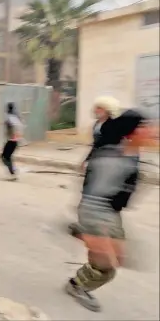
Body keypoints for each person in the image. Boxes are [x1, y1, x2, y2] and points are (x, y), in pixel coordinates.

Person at [64, 109, 148, 312]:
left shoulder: (132, 153)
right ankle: (77, 286)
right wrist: (92, 227)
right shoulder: (113, 156)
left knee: (119, 260)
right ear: (132, 132)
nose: (152, 132)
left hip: (111, 213)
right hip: (97, 212)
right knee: (107, 267)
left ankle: (82, 237)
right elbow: (93, 193)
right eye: (145, 128)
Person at [70, 96, 121, 236]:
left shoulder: (113, 125)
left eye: (99, 108)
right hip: (95, 163)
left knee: (103, 196)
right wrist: (86, 160)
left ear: (107, 110)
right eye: (96, 107)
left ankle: (108, 229)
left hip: (108, 164)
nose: (96, 110)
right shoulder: (97, 124)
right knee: (87, 192)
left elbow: (114, 146)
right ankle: (84, 224)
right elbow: (96, 145)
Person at [1, 103, 23, 181]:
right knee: (7, 157)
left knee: (4, 157)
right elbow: (20, 127)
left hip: (11, 141)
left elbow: (12, 127)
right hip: (15, 141)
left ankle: (13, 172)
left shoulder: (9, 118)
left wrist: (13, 136)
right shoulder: (16, 117)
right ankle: (13, 170)